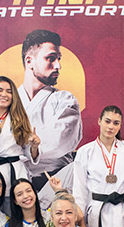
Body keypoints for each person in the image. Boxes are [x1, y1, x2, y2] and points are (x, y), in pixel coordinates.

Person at [17, 29, 83, 208]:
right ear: (29, 61)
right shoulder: (9, 102)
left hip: (57, 182)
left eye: (59, 59)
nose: (58, 66)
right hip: (18, 186)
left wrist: (16, 149)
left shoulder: (65, 100)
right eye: (51, 58)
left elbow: (60, 141)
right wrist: (29, 146)